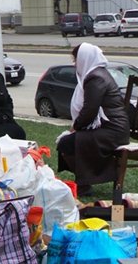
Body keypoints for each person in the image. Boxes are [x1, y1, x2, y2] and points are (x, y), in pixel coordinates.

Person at [56, 43, 130, 196]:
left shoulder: (95, 78)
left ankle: (84, 182)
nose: (75, 64)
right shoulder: (96, 74)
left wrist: (76, 127)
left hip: (112, 130)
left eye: (76, 59)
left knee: (67, 142)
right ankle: (84, 180)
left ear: (85, 58)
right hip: (108, 127)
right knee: (70, 141)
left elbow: (90, 110)